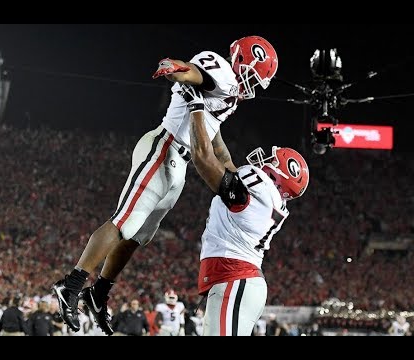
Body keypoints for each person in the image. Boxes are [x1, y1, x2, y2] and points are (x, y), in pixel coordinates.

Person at [52, 35, 279, 335]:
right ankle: (71, 285)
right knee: (123, 222)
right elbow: (190, 71)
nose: (253, 84)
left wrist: (234, 174)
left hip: (178, 164)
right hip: (163, 148)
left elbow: (216, 144)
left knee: (137, 236)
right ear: (241, 60)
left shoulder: (229, 94)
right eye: (253, 74)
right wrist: (175, 67)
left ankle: (99, 292)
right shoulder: (222, 70)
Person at [183, 85, 309, 336]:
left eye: (273, 162)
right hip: (238, 279)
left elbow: (203, 158)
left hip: (235, 278)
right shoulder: (263, 196)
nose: (265, 162)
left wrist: (196, 106)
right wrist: (213, 119)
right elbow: (224, 159)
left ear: (279, 176)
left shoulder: (259, 189)